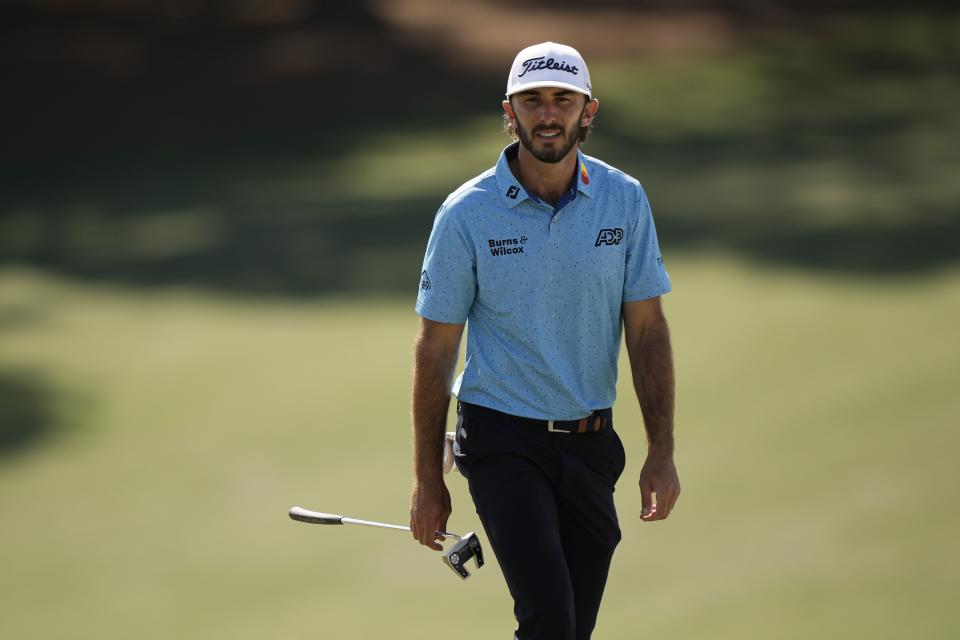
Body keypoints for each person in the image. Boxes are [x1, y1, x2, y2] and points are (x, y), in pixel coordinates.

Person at [409, 41, 680, 640]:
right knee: (550, 620)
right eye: (532, 100)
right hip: (502, 438)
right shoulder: (467, 214)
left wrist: (660, 450)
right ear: (509, 112)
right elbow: (436, 346)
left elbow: (646, 329)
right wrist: (429, 478)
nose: (548, 113)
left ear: (590, 111)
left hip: (591, 444)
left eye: (563, 99)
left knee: (571, 629)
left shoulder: (624, 199)